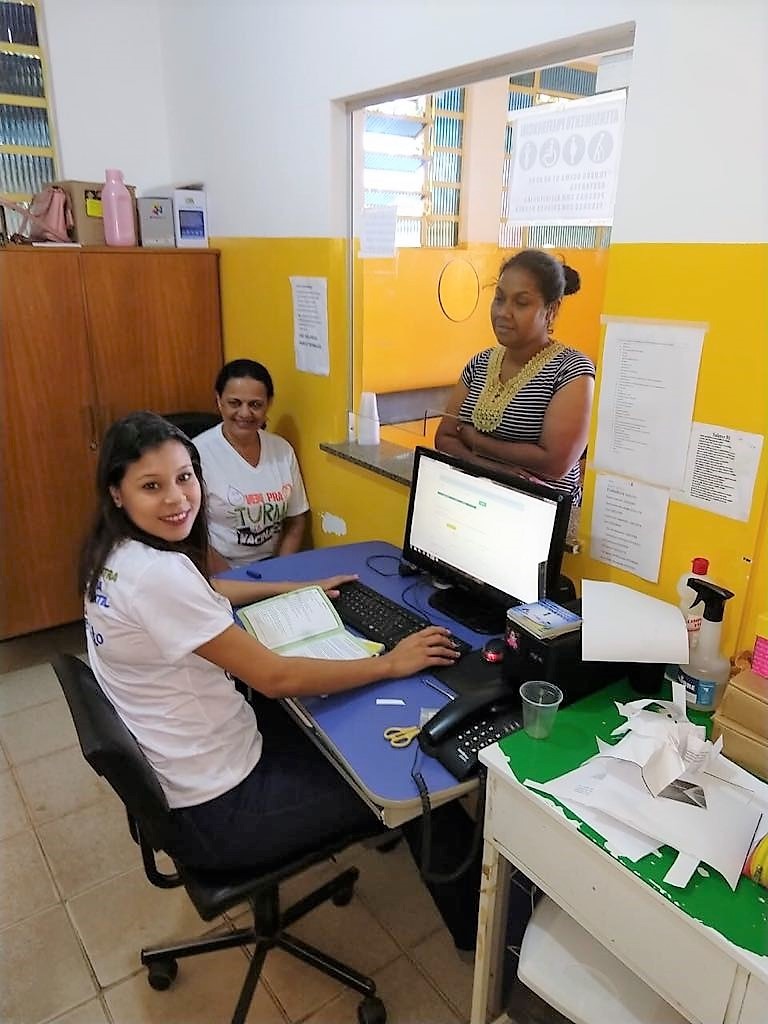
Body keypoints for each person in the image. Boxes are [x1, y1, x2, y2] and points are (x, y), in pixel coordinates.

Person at [80, 411, 482, 952]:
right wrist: (393, 662)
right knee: (419, 786)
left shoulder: (117, 555)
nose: (178, 498)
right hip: (222, 810)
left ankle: (386, 834)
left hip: (189, 771)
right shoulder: (158, 575)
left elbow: (210, 592)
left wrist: (303, 585)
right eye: (152, 485)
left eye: (185, 478)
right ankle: (487, 948)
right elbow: (275, 677)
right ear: (118, 493)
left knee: (341, 726)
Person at [435, 249, 595, 497]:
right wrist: (491, 468)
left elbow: (555, 464)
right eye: (499, 299)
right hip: (473, 501)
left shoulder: (572, 370)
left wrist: (474, 441)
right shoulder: (480, 363)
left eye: (521, 303)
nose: (503, 313)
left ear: (551, 310)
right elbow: (444, 437)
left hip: (536, 514)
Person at [195, 359, 309, 567]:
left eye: (255, 404)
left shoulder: (282, 450)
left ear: (269, 404)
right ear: (219, 401)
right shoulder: (197, 455)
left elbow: (296, 519)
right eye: (235, 403)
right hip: (220, 568)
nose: (245, 413)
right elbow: (191, 533)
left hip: (271, 566)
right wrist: (232, 578)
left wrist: (280, 571)